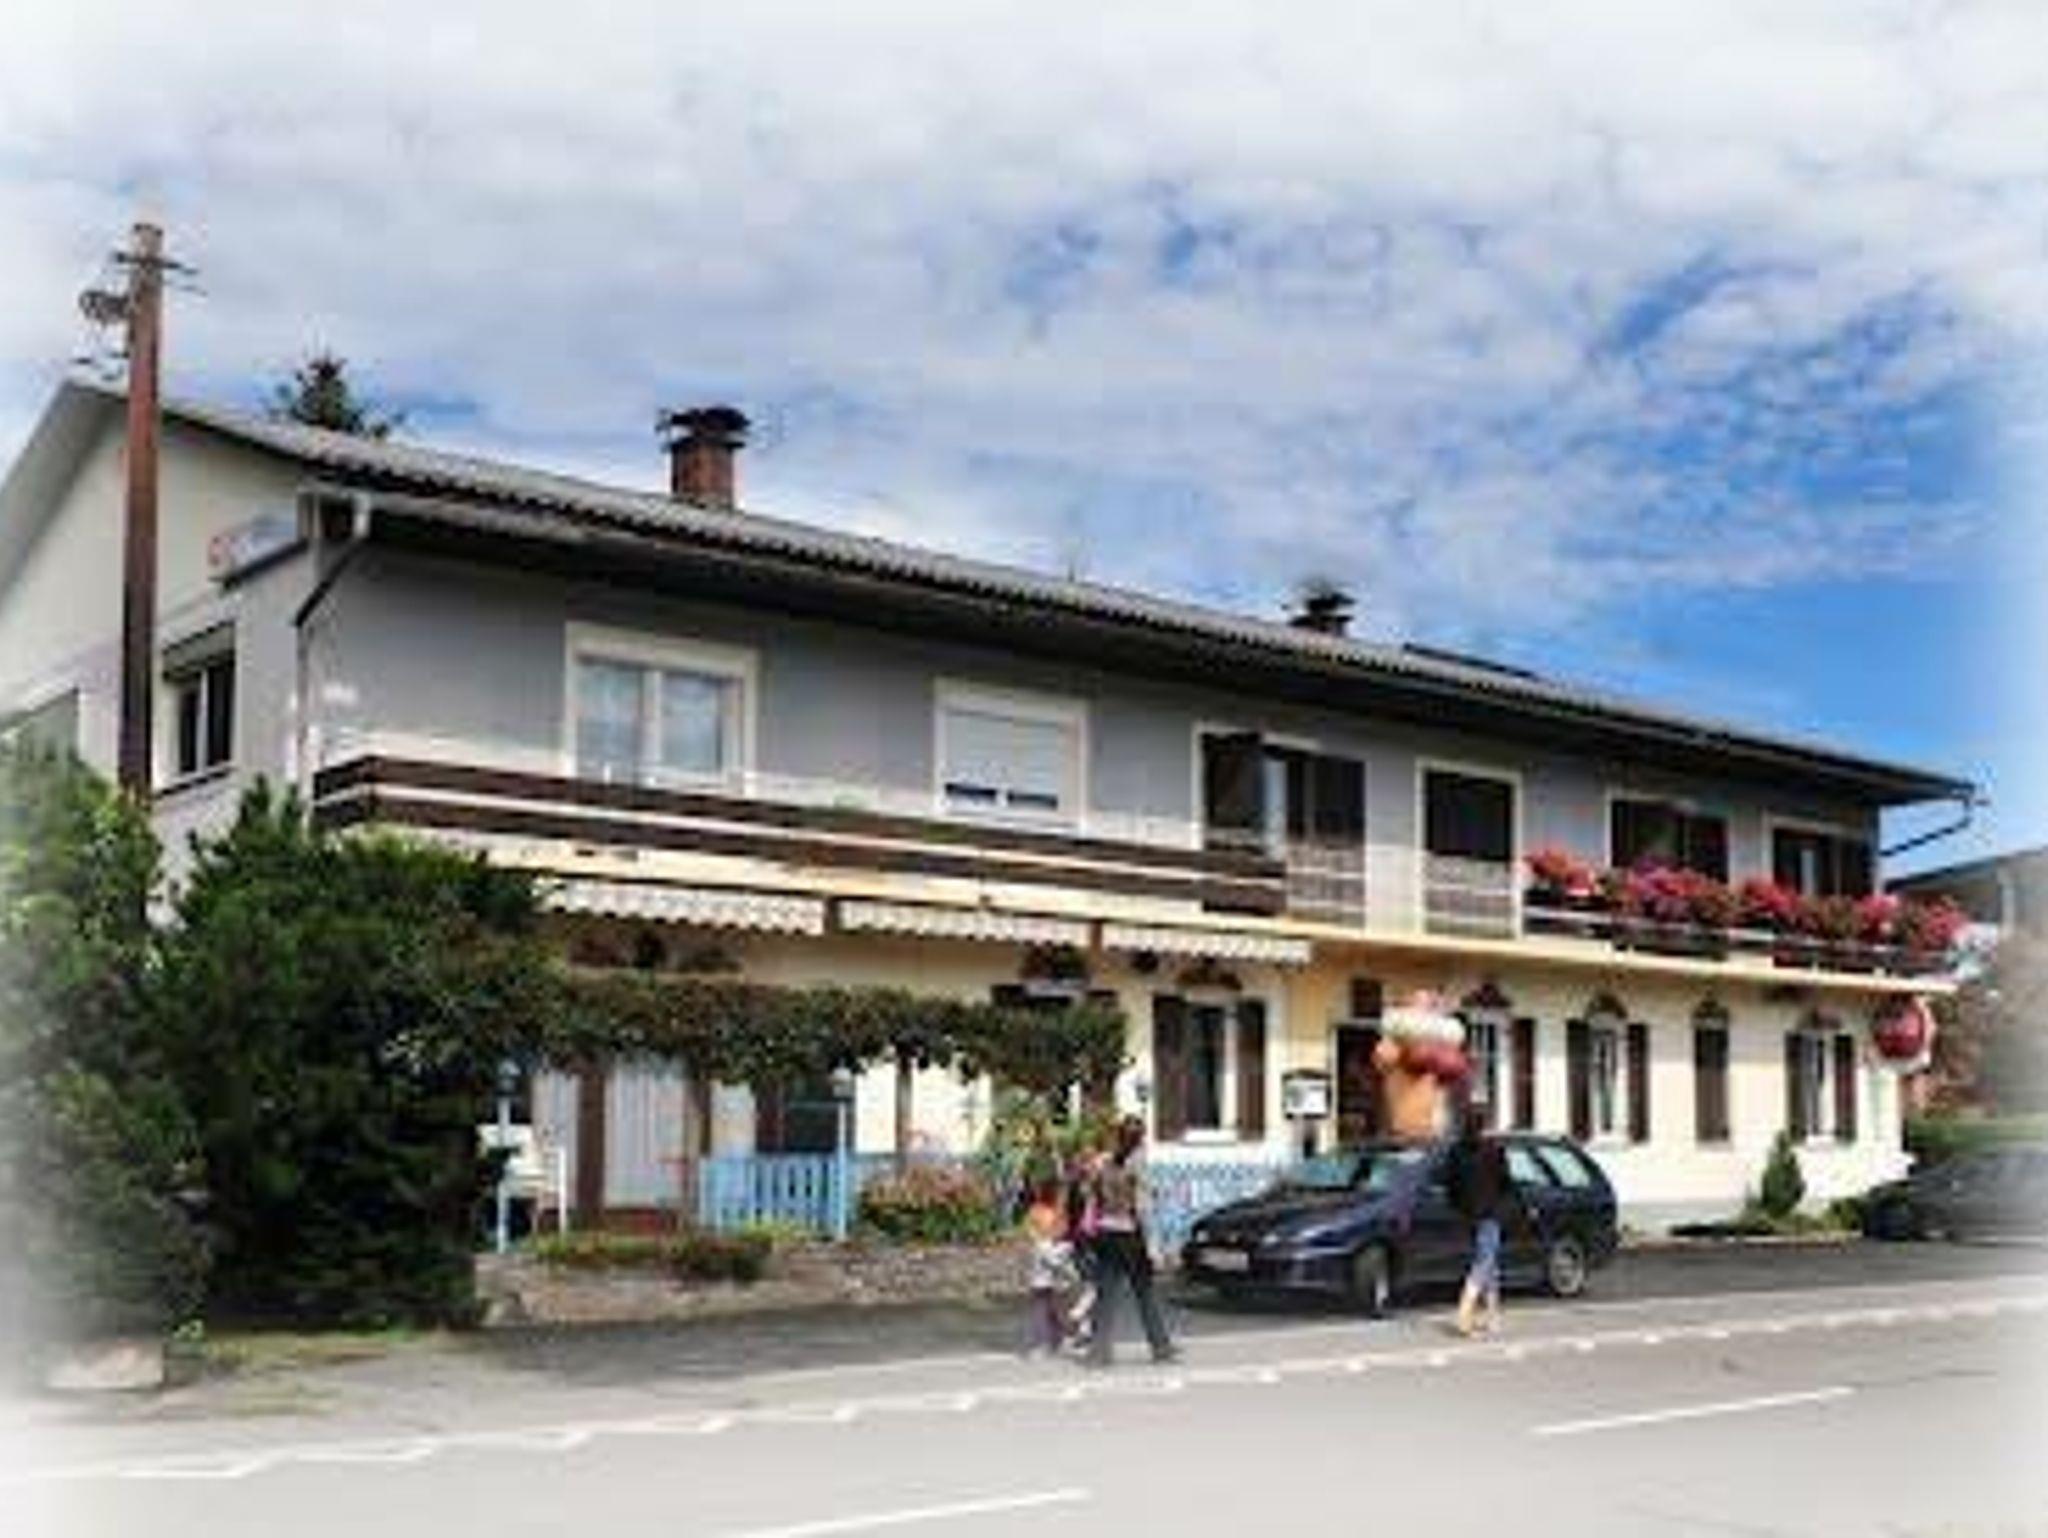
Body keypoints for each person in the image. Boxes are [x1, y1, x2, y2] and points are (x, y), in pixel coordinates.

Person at [1084, 1115, 1179, 1367]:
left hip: (1105, 1233)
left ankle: (1098, 1352)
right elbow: (1143, 1209)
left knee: (1106, 1295)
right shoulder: (1138, 1163)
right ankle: (1161, 1347)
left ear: (1119, 1136)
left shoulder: (1104, 1162)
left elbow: (1091, 1194)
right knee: (1145, 1293)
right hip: (1131, 1237)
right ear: (1140, 1139)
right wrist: (1153, 1248)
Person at [1446, 1105, 1515, 1338]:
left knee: (1490, 1264)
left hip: (1467, 1214)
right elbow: (1506, 1182)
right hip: (1490, 1213)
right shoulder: (1493, 1150)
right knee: (1484, 1262)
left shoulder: (1456, 1150)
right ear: (1484, 1126)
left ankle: (1492, 1317)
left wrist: (1458, 1207)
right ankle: (1464, 1313)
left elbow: (1450, 1184)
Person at [1022, 1175, 1078, 1356]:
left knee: (1050, 1303)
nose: (1064, 1196)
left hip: (1047, 1256)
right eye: (1062, 1193)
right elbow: (1058, 1232)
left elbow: (1032, 1231)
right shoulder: (1049, 1211)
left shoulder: (1040, 1211)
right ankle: (1046, 1342)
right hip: (1048, 1257)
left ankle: (1053, 1341)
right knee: (1049, 1303)